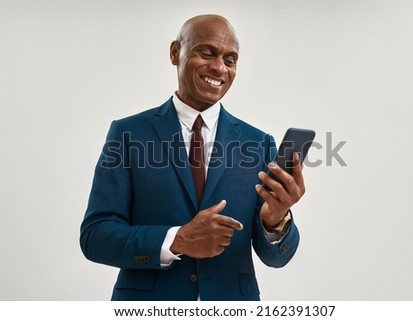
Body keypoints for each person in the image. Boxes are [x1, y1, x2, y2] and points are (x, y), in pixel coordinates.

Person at [80, 14, 306, 301]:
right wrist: (177, 240)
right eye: (207, 52)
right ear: (176, 52)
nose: (219, 67)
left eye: (231, 59)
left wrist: (275, 219)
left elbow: (276, 258)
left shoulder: (257, 143)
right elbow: (95, 237)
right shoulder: (128, 134)